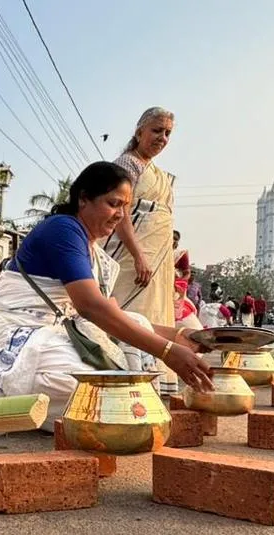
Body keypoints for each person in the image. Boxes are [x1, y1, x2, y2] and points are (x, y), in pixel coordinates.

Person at [0, 162, 213, 429]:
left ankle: (118, 409)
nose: (120, 214)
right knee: (90, 390)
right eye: (114, 203)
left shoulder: (93, 250)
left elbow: (112, 315)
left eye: (125, 207)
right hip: (14, 339)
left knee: (136, 326)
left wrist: (179, 336)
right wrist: (167, 352)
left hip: (54, 334)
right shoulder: (63, 229)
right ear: (83, 199)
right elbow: (91, 308)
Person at [102, 106, 180, 395]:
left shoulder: (160, 175)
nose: (162, 137)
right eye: (157, 130)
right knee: (125, 315)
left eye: (168, 133)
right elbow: (119, 213)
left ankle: (153, 382)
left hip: (158, 263)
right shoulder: (127, 165)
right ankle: (121, 381)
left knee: (154, 316)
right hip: (129, 259)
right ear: (139, 132)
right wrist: (138, 256)